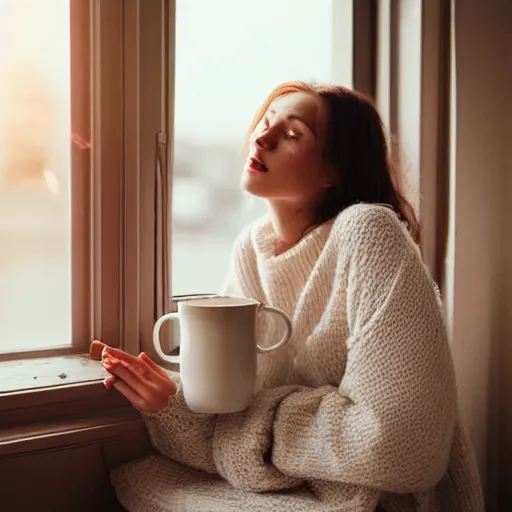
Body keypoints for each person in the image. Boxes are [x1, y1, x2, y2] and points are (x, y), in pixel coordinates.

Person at [102, 82, 484, 511]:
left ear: (335, 171)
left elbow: (402, 450)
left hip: (378, 504)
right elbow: (220, 446)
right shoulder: (251, 248)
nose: (262, 137)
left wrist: (257, 426)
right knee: (140, 478)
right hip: (294, 491)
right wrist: (169, 405)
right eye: (266, 123)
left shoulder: (370, 232)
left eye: (293, 134)